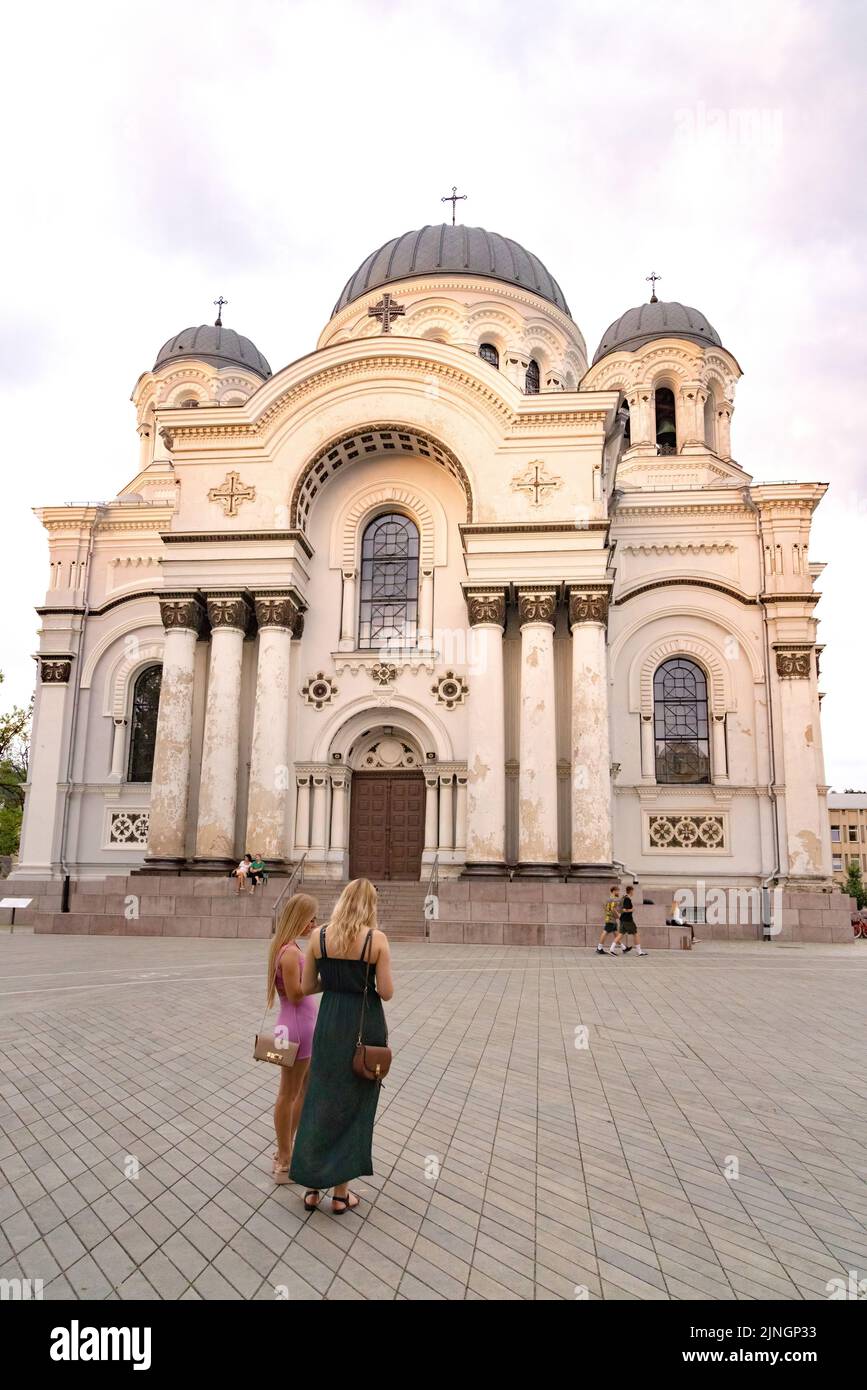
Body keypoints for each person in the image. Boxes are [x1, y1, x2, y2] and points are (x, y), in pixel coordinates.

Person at [290, 878, 393, 1216]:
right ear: (370, 906)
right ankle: (341, 1194)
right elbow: (387, 991)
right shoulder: (376, 940)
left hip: (330, 1020)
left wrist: (333, 983)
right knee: (354, 1103)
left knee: (320, 1096)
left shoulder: (318, 937)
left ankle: (311, 1187)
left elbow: (307, 986)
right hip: (364, 1022)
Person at [266, 892, 319, 1184]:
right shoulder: (289, 953)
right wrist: (323, 983)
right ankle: (284, 1159)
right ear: (297, 919)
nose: (313, 923)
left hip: (295, 1026)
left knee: (300, 1090)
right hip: (295, 1027)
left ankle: (287, 1148)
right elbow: (297, 993)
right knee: (289, 1093)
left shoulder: (288, 948)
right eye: (309, 918)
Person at [614, 883, 647, 956]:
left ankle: (611, 949)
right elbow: (625, 910)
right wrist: (632, 910)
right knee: (635, 934)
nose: (633, 893)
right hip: (628, 920)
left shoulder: (624, 898)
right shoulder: (627, 899)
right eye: (633, 891)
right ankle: (639, 952)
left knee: (620, 935)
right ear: (631, 891)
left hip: (623, 919)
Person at [597, 886, 621, 955]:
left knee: (615, 933)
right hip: (611, 919)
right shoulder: (613, 899)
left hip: (609, 918)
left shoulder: (608, 898)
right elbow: (613, 908)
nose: (618, 892)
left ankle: (623, 947)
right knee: (605, 932)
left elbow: (604, 907)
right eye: (617, 891)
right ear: (614, 891)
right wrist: (618, 916)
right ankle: (599, 948)